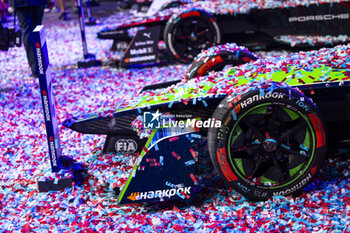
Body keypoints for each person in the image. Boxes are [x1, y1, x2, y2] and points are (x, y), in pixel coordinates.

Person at [10, 0, 46, 77]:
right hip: (37, 2)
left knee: (28, 31)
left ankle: (36, 68)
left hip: (21, 3)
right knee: (36, 30)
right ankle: (40, 64)